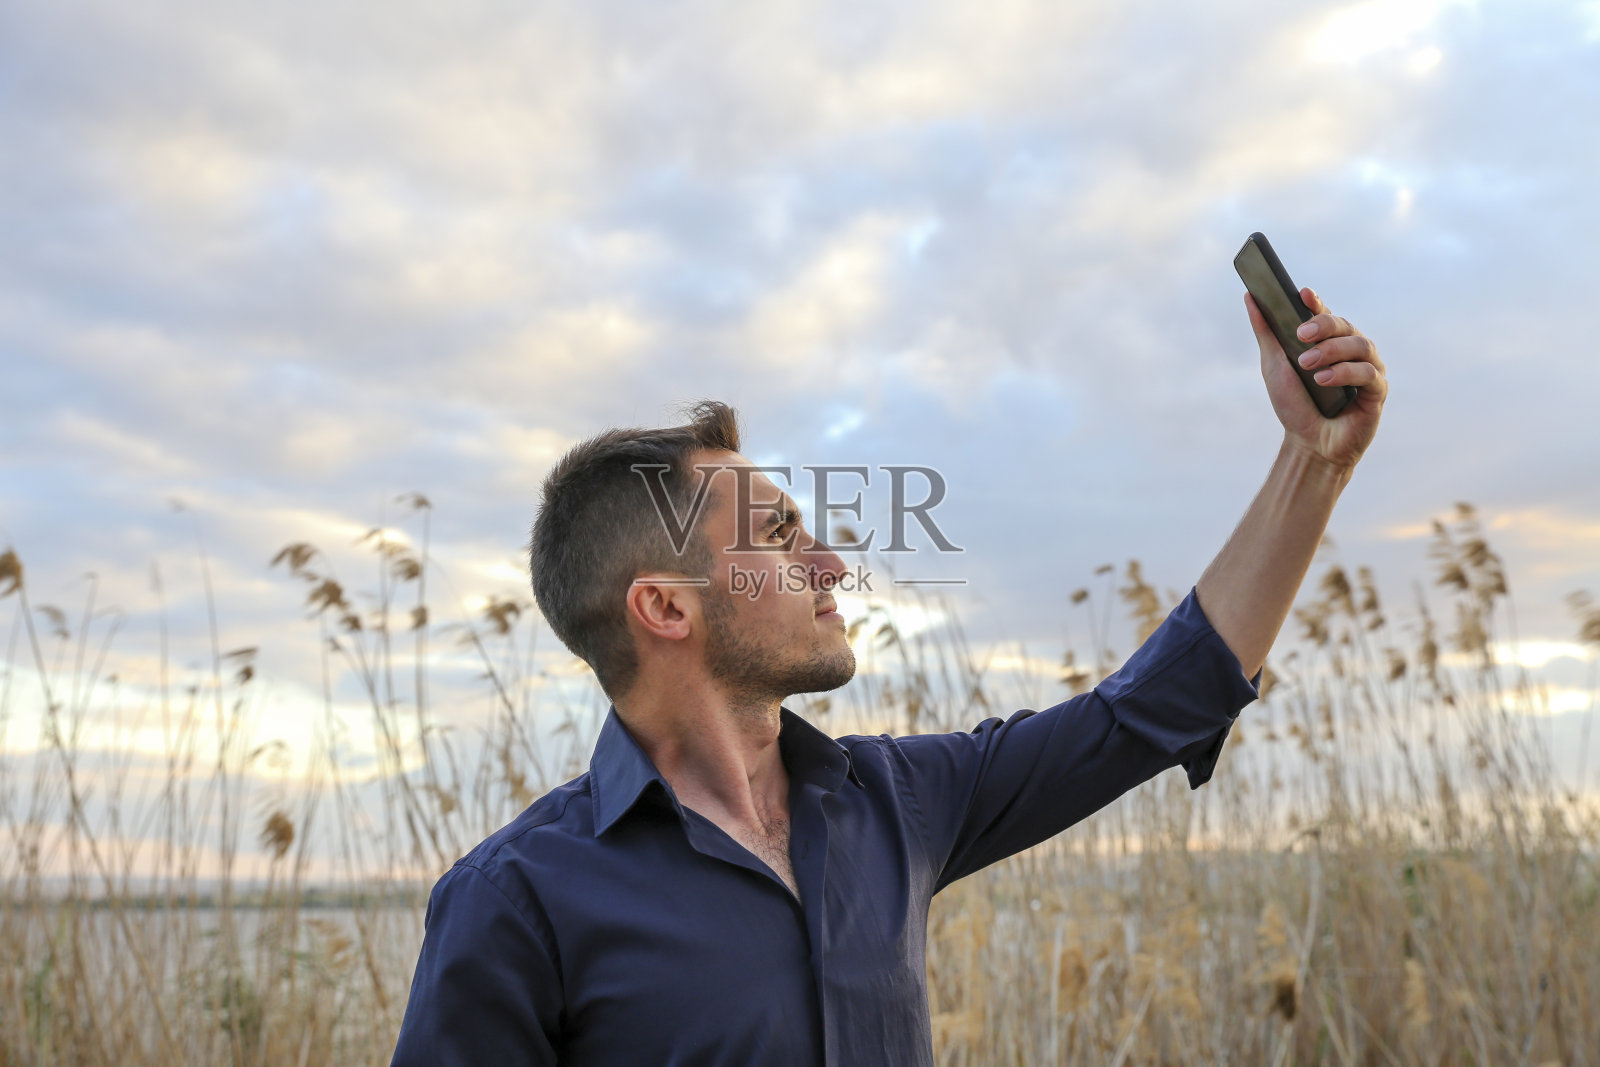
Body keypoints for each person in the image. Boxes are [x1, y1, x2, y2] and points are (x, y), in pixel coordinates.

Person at [390, 287, 1387, 1065]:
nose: (830, 564)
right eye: (781, 537)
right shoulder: (514, 900)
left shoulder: (895, 801)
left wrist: (1314, 462)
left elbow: (1146, 709)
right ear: (666, 607)